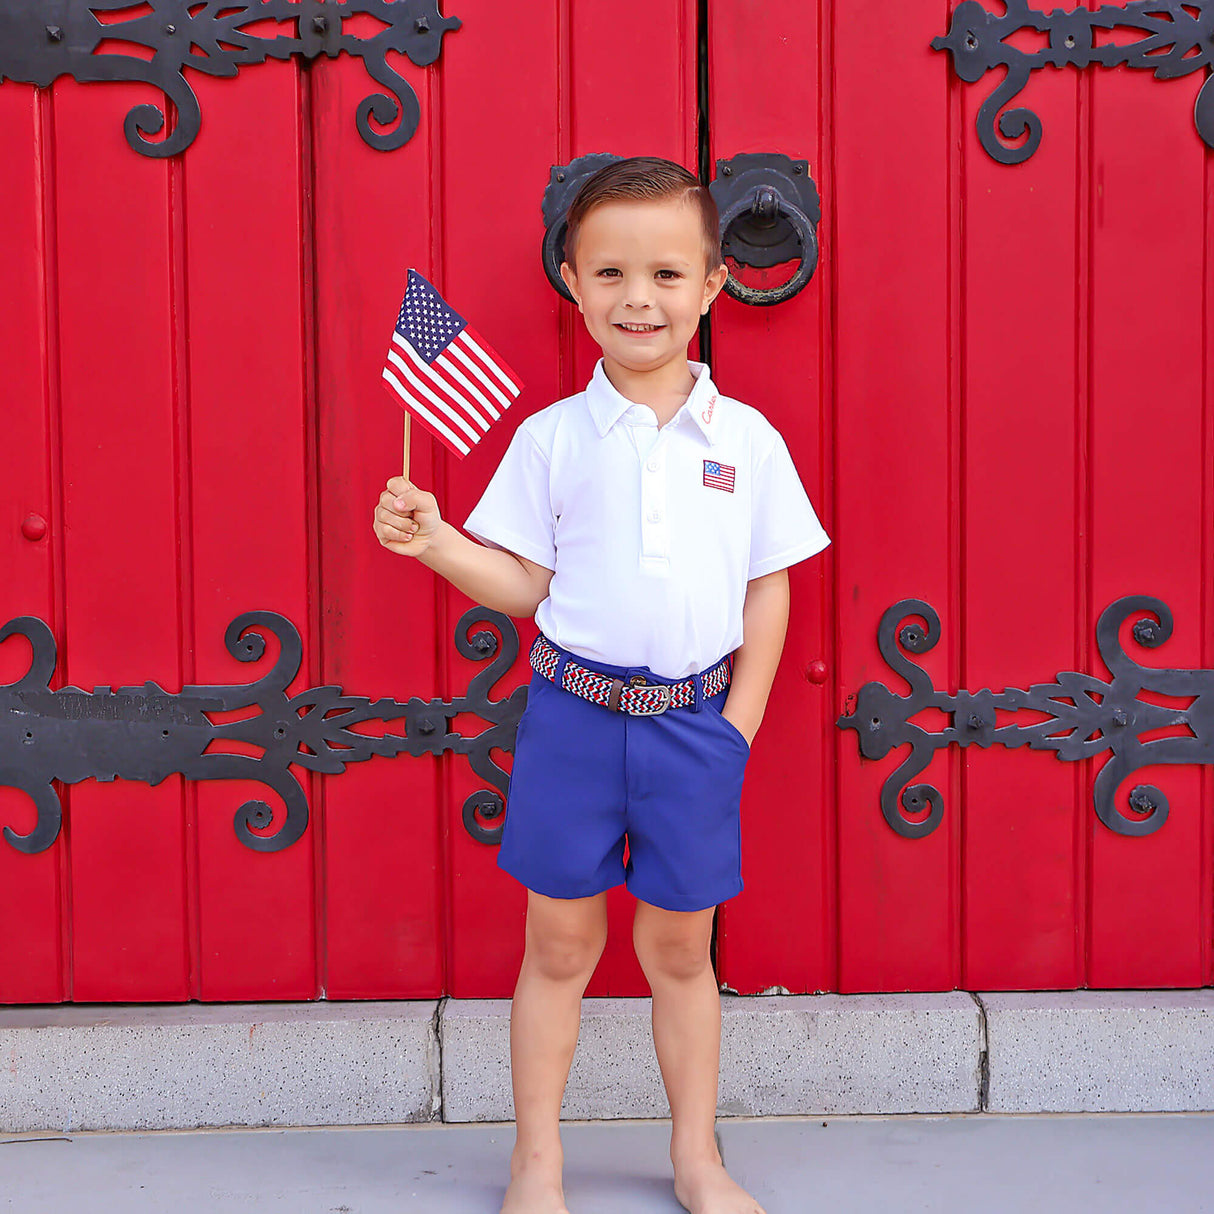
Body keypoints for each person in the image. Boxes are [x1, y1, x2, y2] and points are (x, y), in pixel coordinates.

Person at [372, 155, 830, 1214]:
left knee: (680, 947)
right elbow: (525, 583)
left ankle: (695, 1156)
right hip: (573, 719)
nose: (638, 298)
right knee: (559, 940)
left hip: (691, 728)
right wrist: (438, 541)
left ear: (713, 286)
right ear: (571, 283)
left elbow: (769, 589)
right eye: (611, 272)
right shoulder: (549, 438)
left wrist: (739, 729)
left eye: (667, 275)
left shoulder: (745, 441)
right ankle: (537, 1159)